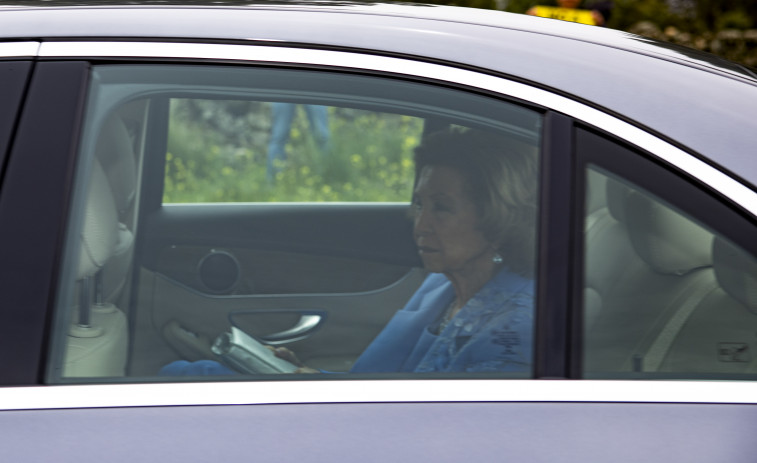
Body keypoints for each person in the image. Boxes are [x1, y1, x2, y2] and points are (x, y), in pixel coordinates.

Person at [162, 127, 537, 375]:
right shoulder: (444, 283)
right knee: (183, 376)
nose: (420, 224)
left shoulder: (512, 336)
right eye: (420, 204)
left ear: (497, 216)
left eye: (442, 207)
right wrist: (305, 376)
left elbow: (428, 433)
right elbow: (386, 384)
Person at [267, 103, 331, 181]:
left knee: (322, 135)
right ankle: (273, 182)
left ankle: (329, 178)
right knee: (279, 136)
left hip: (315, 90)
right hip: (285, 91)